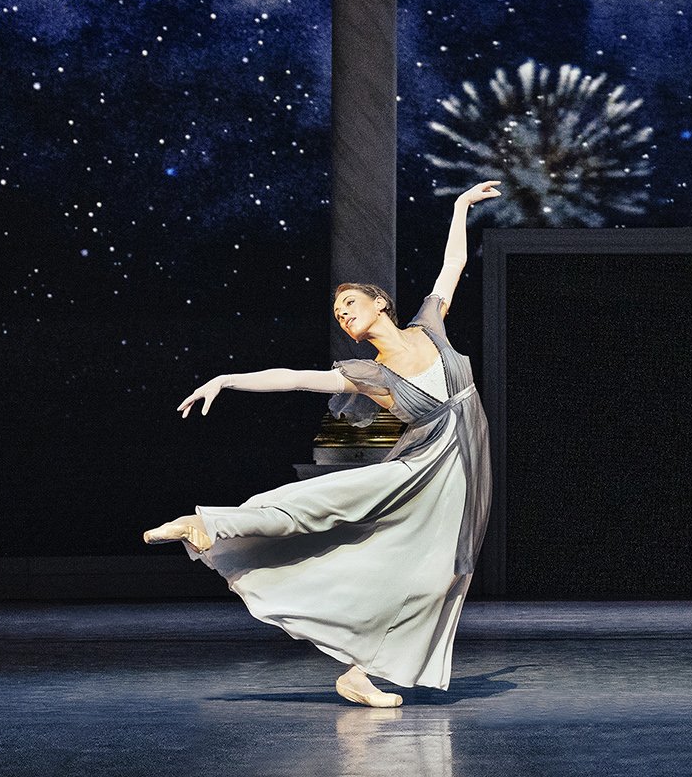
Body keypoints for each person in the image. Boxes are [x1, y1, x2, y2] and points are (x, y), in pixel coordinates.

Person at [143, 180, 502, 707]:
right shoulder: (367, 374)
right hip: (421, 464)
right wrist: (228, 379)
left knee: (440, 577)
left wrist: (459, 207)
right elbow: (294, 377)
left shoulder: (430, 326)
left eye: (350, 304)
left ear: (380, 303)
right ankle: (209, 525)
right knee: (326, 501)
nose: (344, 314)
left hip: (465, 469)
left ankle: (359, 674)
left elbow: (453, 266)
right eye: (339, 314)